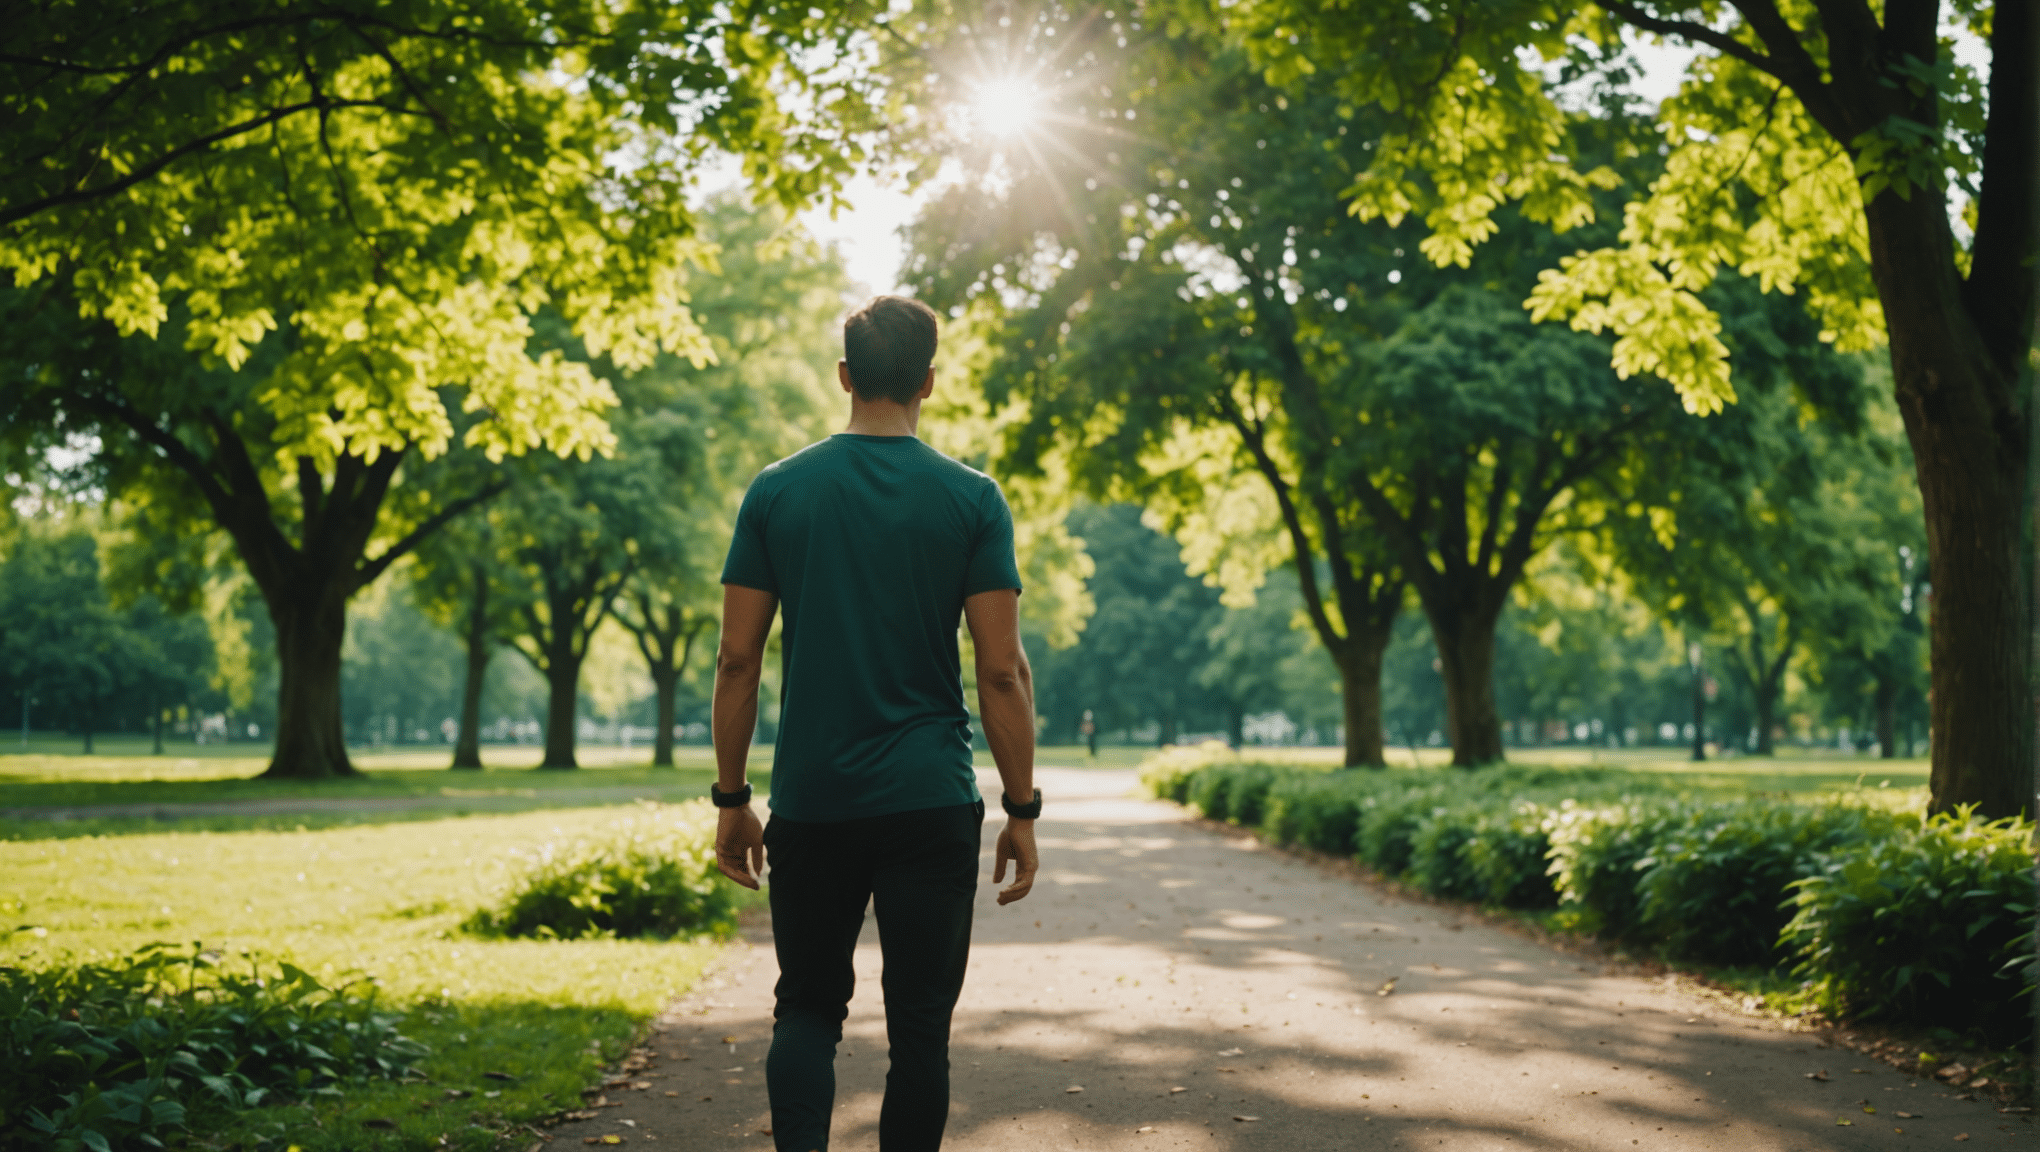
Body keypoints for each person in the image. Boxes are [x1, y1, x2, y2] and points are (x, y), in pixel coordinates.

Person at [709, 294, 1042, 1152]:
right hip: (929, 801)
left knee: (808, 1008)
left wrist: (732, 797)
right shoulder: (973, 499)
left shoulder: (777, 492)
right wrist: (1022, 808)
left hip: (814, 802)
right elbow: (1001, 670)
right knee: (920, 1029)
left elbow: (736, 660)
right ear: (930, 380)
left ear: (846, 375)